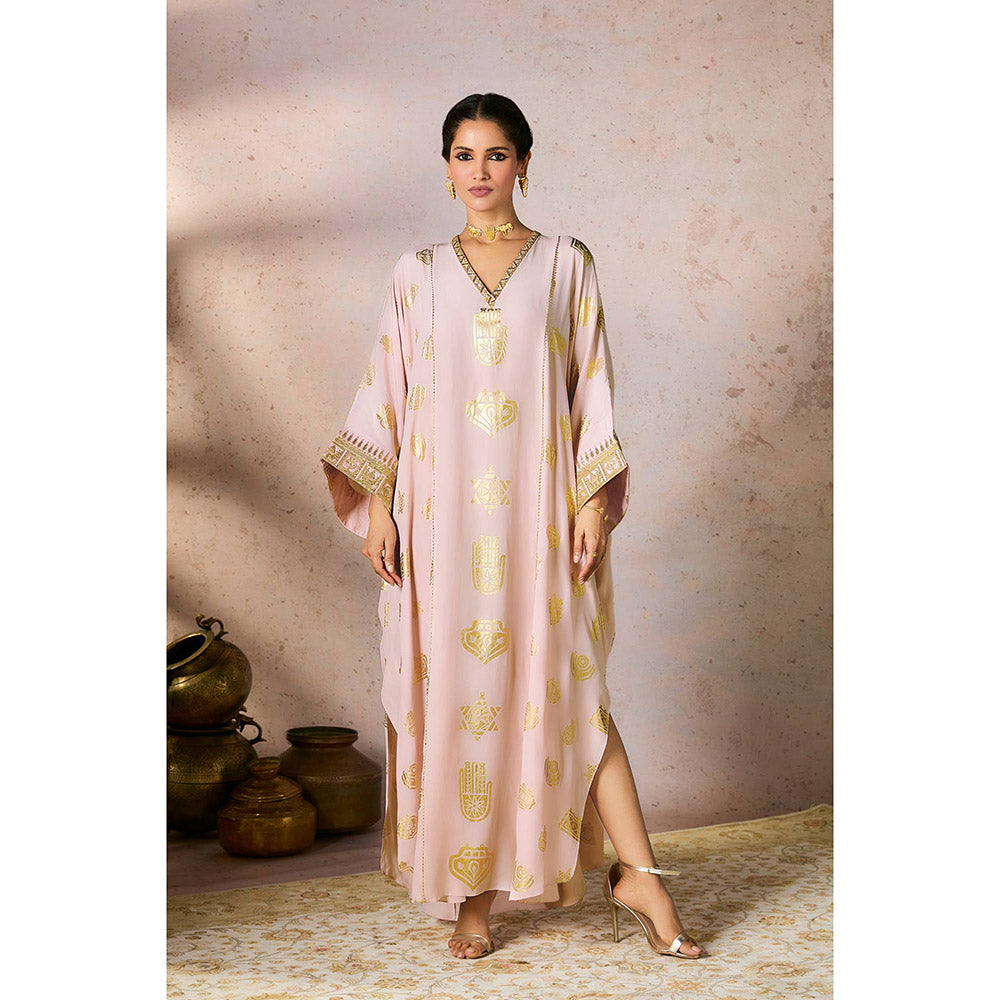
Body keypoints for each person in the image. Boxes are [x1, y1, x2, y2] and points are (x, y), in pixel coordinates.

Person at [320, 93, 705, 961]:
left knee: (574, 694)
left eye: (496, 154)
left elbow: (591, 388)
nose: (480, 171)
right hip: (440, 524)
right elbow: (386, 392)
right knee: (461, 698)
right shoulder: (416, 273)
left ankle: (640, 875)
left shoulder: (567, 263)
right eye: (464, 155)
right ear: (445, 167)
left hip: (540, 520)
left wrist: (591, 503)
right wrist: (380, 507)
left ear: (524, 163)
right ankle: (473, 898)